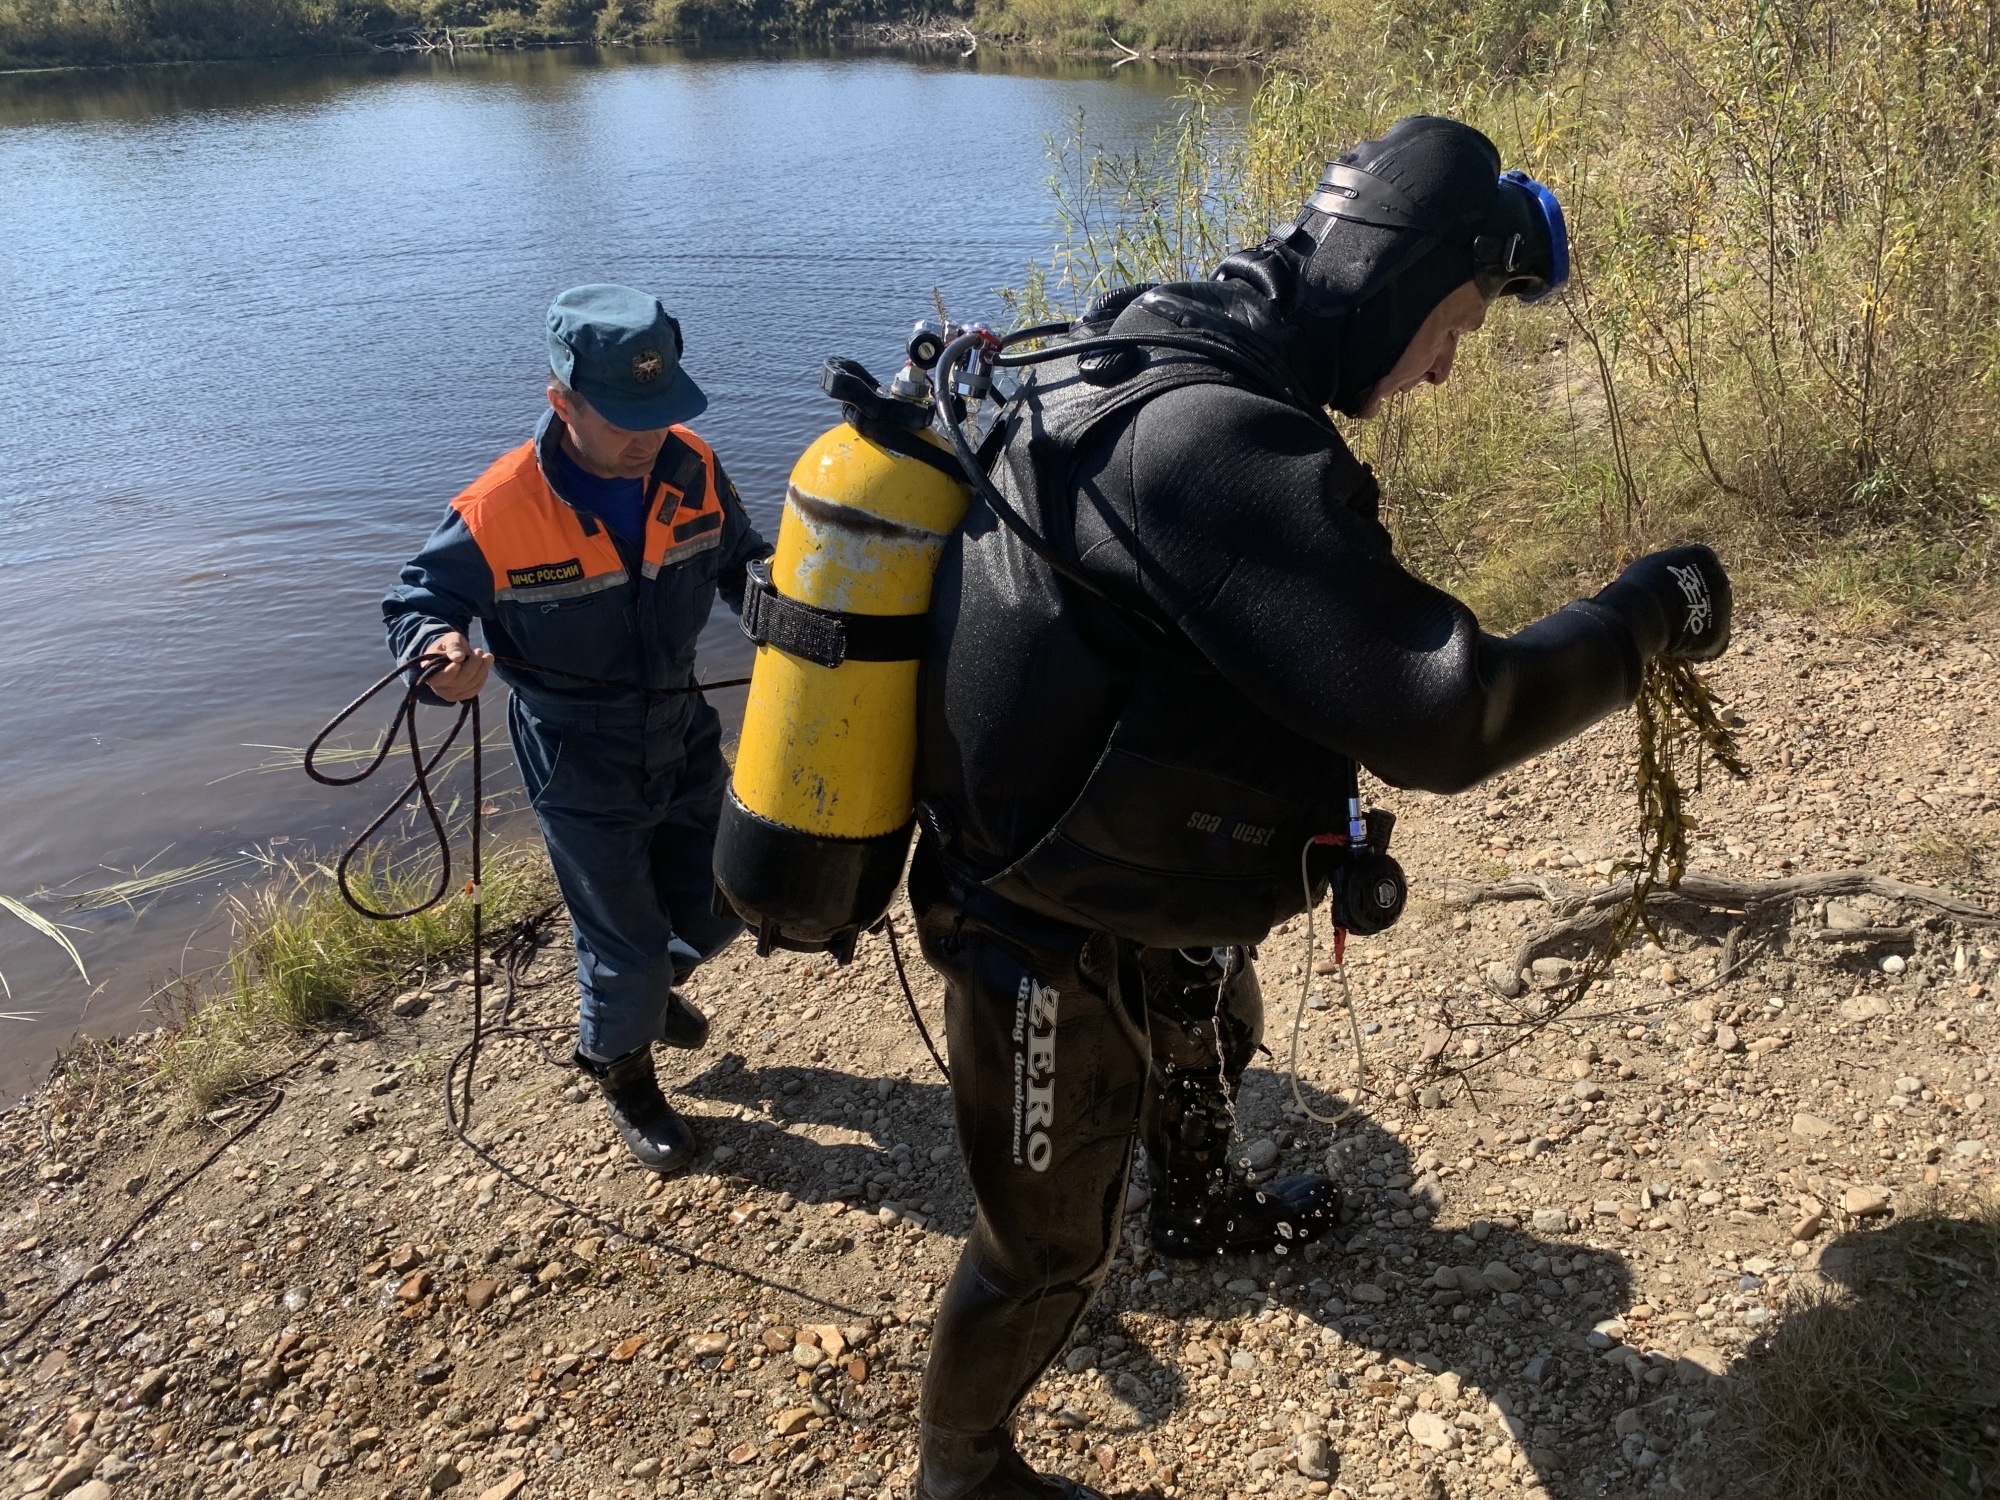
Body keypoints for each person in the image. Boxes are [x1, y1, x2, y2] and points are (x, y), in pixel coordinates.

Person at [907, 116, 1733, 1499]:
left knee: (1213, 1031)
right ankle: (962, 1470)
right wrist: (1656, 610)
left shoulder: (1174, 332)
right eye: (1456, 321)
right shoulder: (1212, 439)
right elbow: (1448, 718)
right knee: (1044, 1239)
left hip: (1138, 834)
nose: (1447, 364)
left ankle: (1210, 1208)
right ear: (1406, 281)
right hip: (1033, 908)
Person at [383, 284, 770, 1175]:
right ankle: (621, 1066)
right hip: (575, 754)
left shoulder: (692, 464)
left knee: (731, 896)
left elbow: (740, 560)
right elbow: (420, 600)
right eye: (627, 419)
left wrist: (779, 600)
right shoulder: (498, 507)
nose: (650, 437)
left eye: (663, 411)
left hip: (680, 725)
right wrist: (441, 652)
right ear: (563, 402)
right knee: (621, 945)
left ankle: (638, 991)